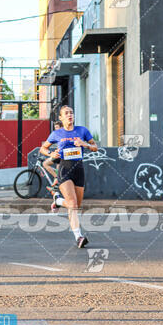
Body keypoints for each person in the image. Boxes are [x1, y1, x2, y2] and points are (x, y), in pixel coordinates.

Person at [40, 105, 98, 248]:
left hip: (79, 168)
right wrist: (50, 154)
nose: (69, 115)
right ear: (61, 117)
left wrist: (84, 143)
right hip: (64, 169)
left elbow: (95, 147)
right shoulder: (57, 134)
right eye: (66, 113)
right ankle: (79, 237)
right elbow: (43, 148)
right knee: (72, 204)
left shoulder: (82, 130)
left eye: (71, 112)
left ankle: (58, 200)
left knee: (76, 206)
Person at [42, 120, 62, 190]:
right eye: (55, 127)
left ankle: (57, 178)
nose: (56, 129)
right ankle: (56, 185)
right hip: (60, 155)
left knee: (45, 164)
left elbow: (45, 146)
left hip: (59, 155)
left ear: (61, 127)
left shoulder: (57, 134)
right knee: (58, 169)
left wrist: (49, 153)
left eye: (57, 127)